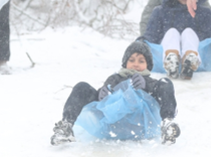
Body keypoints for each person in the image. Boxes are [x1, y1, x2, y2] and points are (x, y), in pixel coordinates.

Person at [50, 41, 180, 145]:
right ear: (125, 63)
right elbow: (104, 94)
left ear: (147, 66)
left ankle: (167, 123)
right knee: (82, 87)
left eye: (141, 61)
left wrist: (147, 86)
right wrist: (103, 93)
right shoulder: (115, 78)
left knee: (165, 83)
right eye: (132, 60)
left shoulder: (150, 81)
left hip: (141, 125)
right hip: (113, 123)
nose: (135, 64)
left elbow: (159, 93)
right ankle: (66, 126)